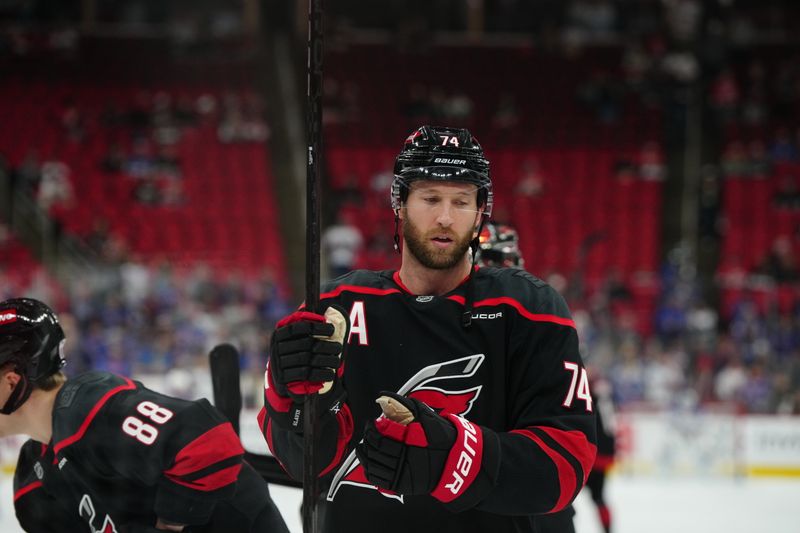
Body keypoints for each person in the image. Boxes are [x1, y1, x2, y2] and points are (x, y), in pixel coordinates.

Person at [259, 125, 597, 532]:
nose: (444, 217)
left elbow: (564, 465)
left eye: (461, 201)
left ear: (480, 212)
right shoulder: (339, 307)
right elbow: (305, 461)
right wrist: (289, 399)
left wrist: (453, 456)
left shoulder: (529, 309)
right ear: (400, 203)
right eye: (430, 198)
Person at [1, 297, 289, 533]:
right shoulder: (32, 481)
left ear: (12, 380)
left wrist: (171, 524)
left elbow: (208, 443)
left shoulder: (87, 408)